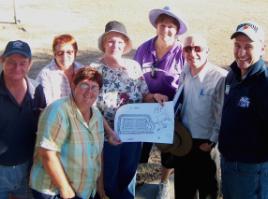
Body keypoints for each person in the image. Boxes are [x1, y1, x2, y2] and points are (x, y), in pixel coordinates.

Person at [91, 20, 167, 199]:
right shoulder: (94, 70)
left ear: (125, 44)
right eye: (110, 41)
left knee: (127, 177)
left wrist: (155, 97)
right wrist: (109, 132)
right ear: (104, 43)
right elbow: (91, 106)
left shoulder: (133, 67)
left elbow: (144, 95)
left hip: (133, 134)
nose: (115, 45)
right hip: (106, 136)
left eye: (119, 41)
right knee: (107, 180)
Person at [134, 6, 187, 198]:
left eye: (171, 26)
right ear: (156, 26)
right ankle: (133, 180)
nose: (166, 30)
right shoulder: (143, 49)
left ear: (177, 29)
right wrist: (150, 96)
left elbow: (187, 84)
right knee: (139, 150)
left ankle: (164, 184)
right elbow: (135, 79)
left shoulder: (182, 52)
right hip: (146, 108)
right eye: (162, 25)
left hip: (170, 112)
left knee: (168, 152)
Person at [30, 67, 106, 199]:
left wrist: (100, 188)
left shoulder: (97, 115)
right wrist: (66, 190)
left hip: (85, 190)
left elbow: (97, 155)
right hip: (55, 191)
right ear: (73, 85)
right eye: (84, 85)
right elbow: (47, 153)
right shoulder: (58, 110)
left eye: (95, 87)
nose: (89, 91)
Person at [173, 34, 227, 199]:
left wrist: (211, 141)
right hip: (183, 141)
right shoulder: (185, 70)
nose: (192, 53)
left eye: (198, 49)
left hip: (205, 144)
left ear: (207, 52)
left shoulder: (220, 77)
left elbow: (221, 113)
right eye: (188, 48)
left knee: (207, 192)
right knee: (183, 191)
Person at [218, 21, 268, 199]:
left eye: (248, 47)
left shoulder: (264, 82)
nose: (241, 53)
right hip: (228, 163)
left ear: (262, 48)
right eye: (237, 45)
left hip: (251, 169)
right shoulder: (233, 73)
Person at [0, 40, 46, 198]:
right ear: (2, 60)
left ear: (30, 64)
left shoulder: (37, 90)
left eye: (23, 63)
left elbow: (43, 124)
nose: (17, 68)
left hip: (28, 169)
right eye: (11, 62)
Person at [36, 34, 83, 105]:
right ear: (54, 54)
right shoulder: (46, 75)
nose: (65, 57)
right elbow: (48, 105)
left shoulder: (82, 70)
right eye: (60, 53)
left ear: (75, 52)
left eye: (69, 52)